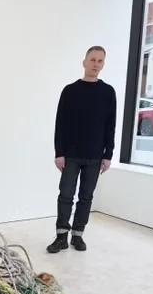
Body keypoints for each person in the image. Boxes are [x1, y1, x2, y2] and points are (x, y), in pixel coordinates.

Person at [48, 46, 116, 254]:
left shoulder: (107, 93)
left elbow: (110, 125)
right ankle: (61, 236)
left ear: (103, 64)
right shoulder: (70, 91)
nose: (96, 64)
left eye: (100, 61)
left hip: (95, 156)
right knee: (66, 194)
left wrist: (108, 155)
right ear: (84, 62)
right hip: (71, 155)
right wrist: (59, 152)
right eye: (93, 60)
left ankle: (78, 235)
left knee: (86, 197)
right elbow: (61, 124)